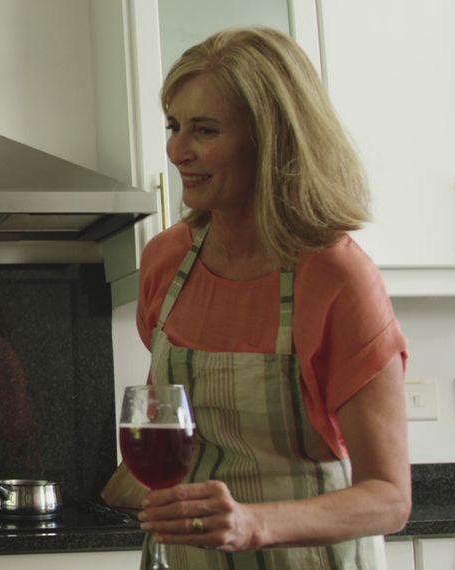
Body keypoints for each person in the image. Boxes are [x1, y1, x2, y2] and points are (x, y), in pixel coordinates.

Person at [134, 27, 410, 568]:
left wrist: (253, 523)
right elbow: (169, 423)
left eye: (204, 130)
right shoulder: (167, 262)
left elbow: (390, 497)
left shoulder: (335, 277)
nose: (176, 150)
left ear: (270, 139)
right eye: (174, 126)